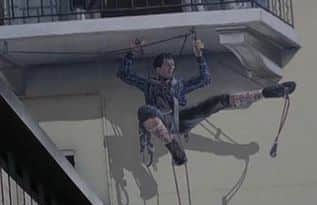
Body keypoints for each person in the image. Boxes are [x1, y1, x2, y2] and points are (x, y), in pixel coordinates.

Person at [117, 38, 295, 167]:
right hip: (159, 120)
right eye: (167, 65)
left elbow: (205, 79)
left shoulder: (179, 85)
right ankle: (173, 147)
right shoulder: (149, 84)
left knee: (217, 101)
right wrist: (130, 53)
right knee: (144, 111)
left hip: (180, 119)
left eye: (172, 65)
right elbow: (124, 75)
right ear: (157, 68)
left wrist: (199, 56)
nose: (171, 67)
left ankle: (266, 92)